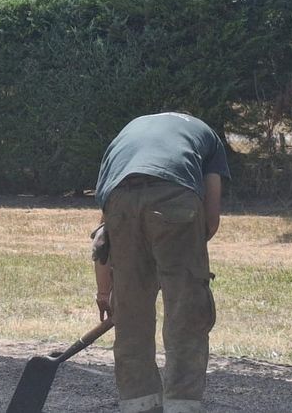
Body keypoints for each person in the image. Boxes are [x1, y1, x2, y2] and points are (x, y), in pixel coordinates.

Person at [91, 112, 228, 413]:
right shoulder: (207, 136)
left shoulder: (124, 138)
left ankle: (138, 403)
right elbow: (211, 218)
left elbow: (102, 240)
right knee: (185, 308)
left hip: (120, 200)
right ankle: (181, 404)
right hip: (176, 197)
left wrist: (106, 293)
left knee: (131, 311)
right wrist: (182, 261)